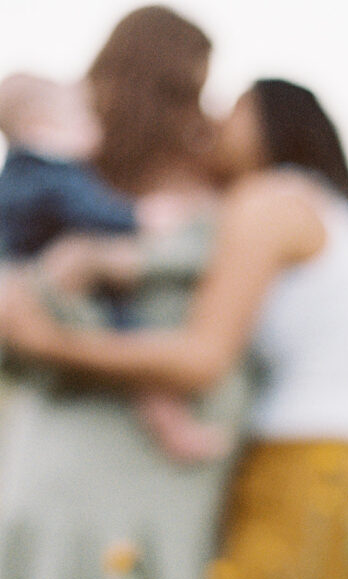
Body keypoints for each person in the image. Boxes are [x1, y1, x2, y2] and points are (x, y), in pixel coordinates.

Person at [0, 78, 348, 579]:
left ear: (272, 123)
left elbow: (201, 359)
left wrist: (48, 343)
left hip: (305, 465)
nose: (211, 120)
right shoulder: (332, 208)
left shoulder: (269, 201)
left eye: (233, 110)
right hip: (346, 464)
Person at [0, 5, 249, 579]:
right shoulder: (63, 184)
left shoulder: (215, 182)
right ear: (160, 83)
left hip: (167, 501)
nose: (209, 104)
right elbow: (21, 330)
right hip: (80, 495)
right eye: (194, 83)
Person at [0, 70, 229, 462]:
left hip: (27, 291)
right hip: (61, 295)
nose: (95, 129)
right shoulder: (56, 176)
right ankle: (172, 425)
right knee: (133, 344)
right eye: (82, 119)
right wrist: (147, 217)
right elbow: (98, 213)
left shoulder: (16, 175)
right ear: (41, 128)